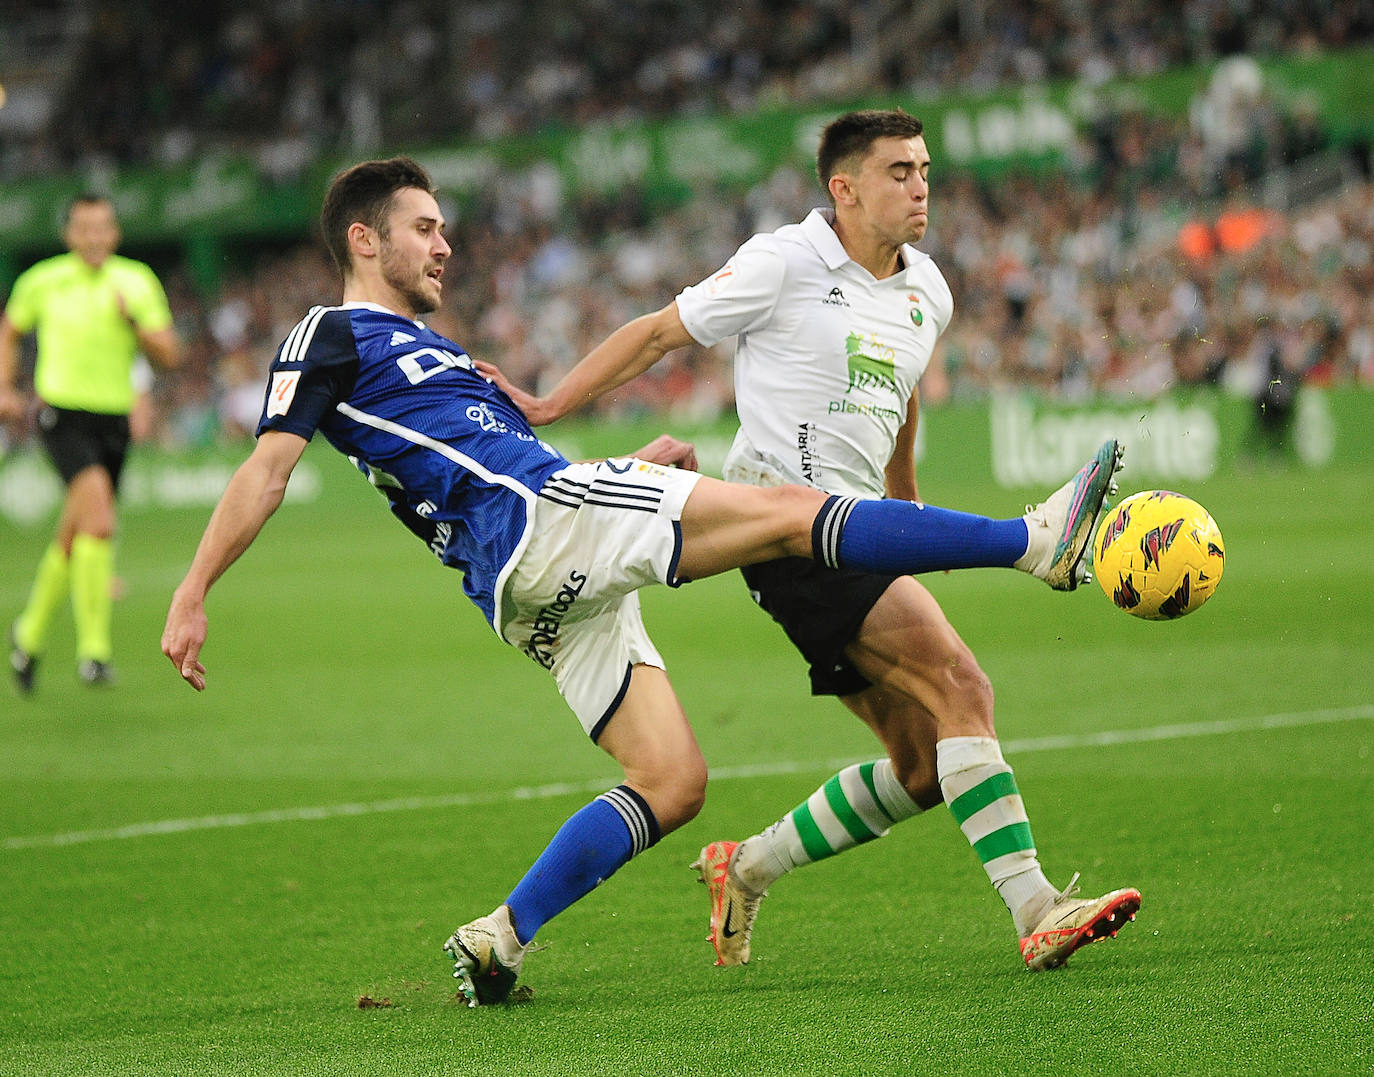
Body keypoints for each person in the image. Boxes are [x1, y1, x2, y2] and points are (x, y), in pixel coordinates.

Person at [160, 156, 1122, 1006]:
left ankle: (497, 936)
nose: (444, 245)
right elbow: (268, 470)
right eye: (424, 228)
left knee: (672, 780)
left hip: (527, 572)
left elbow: (482, 462)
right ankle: (1035, 540)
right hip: (544, 522)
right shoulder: (330, 333)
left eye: (444, 228)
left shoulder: (435, 354)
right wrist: (194, 587)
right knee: (790, 511)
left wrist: (628, 465)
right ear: (363, 240)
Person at [478, 110, 1141, 975]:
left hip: (862, 530)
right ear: (845, 186)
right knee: (961, 687)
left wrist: (909, 514)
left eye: (925, 169)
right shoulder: (782, 260)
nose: (920, 186)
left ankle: (745, 865)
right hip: (786, 531)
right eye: (899, 171)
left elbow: (902, 401)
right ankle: (1038, 908)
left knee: (919, 765)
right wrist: (549, 405)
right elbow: (656, 332)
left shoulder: (928, 288)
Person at [2, 195, 181, 692]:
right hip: (61, 415)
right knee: (99, 520)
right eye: (85, 228)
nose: (95, 237)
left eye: (103, 227)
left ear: (116, 232)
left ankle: (28, 635)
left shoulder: (136, 281)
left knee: (74, 534)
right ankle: (94, 653)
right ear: (69, 235)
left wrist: (135, 326)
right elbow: (9, 331)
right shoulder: (42, 280)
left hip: (113, 421)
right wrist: (3, 386)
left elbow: (170, 353)